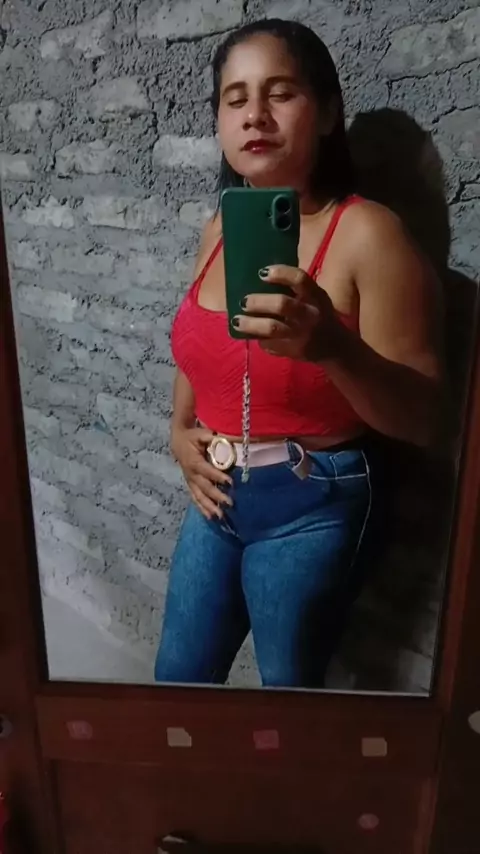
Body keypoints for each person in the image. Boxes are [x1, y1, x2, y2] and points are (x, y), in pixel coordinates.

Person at [154, 18, 442, 688]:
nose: (255, 114)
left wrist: (333, 346)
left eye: (280, 93)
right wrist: (178, 430)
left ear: (329, 113)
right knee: (177, 681)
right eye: (235, 98)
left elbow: (426, 419)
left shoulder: (368, 234)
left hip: (315, 501)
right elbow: (198, 345)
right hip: (218, 495)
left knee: (287, 697)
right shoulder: (222, 227)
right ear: (220, 123)